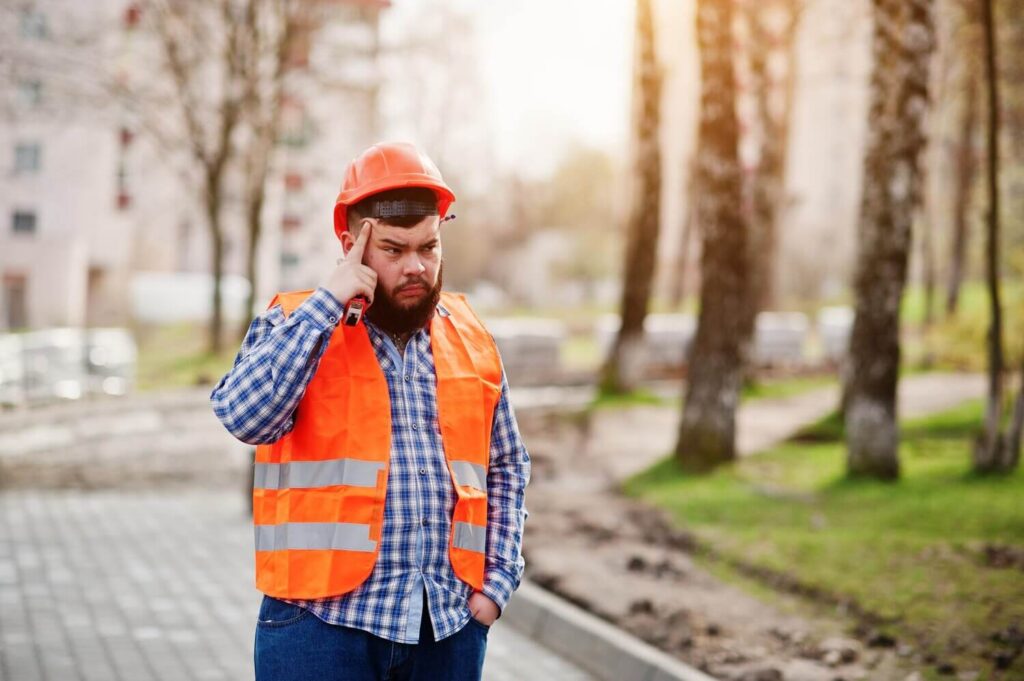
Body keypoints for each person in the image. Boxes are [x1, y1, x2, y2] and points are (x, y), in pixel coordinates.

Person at [210, 141, 531, 681]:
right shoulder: (295, 324)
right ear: (350, 244)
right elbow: (245, 417)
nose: (416, 267)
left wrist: (497, 585)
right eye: (393, 249)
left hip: (445, 630)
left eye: (428, 248)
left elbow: (507, 465)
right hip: (319, 630)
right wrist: (326, 304)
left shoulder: (471, 336)